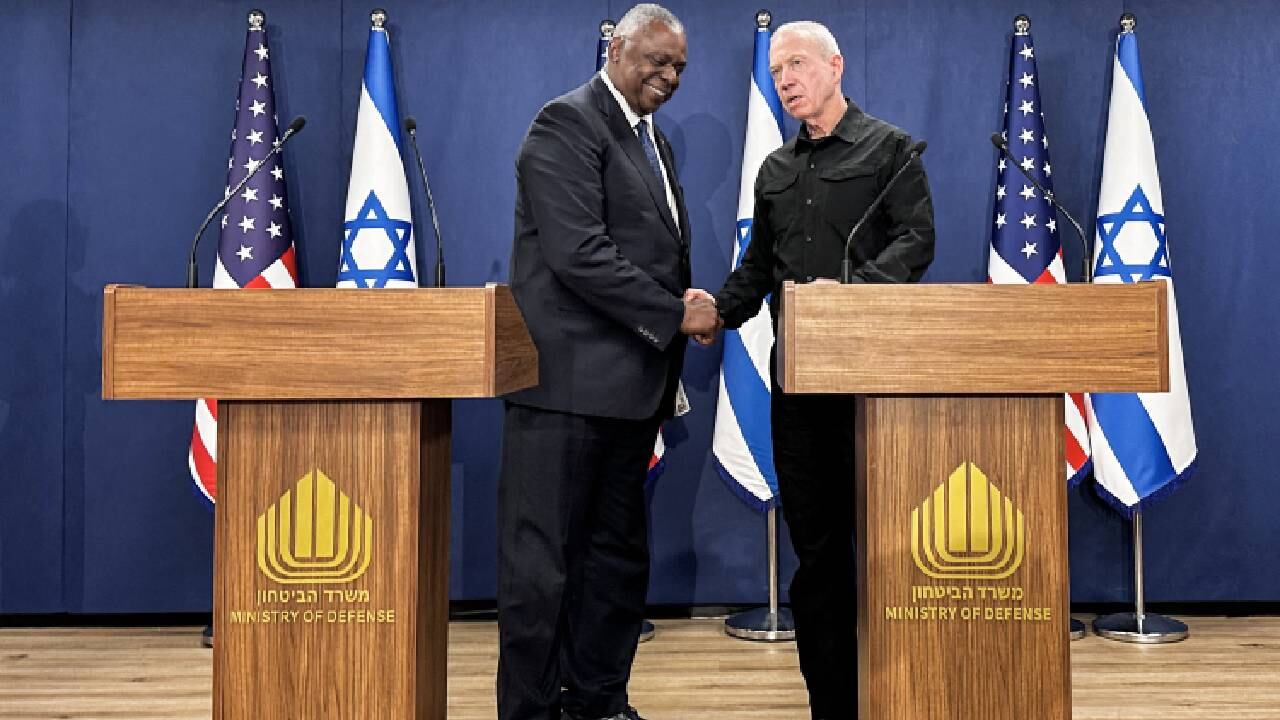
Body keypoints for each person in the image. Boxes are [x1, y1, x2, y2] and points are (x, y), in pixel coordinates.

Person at [699, 20, 935, 720]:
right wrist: (714, 312)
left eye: (797, 64)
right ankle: (832, 705)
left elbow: (917, 240)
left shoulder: (890, 150)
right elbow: (759, 269)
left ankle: (897, 693)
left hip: (874, 386)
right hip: (799, 388)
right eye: (777, 72)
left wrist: (851, 292)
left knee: (889, 547)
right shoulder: (776, 170)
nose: (786, 80)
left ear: (836, 65)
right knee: (819, 555)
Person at [499, 5, 716, 720]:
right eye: (657, 60)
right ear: (616, 48)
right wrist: (673, 314)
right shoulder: (565, 124)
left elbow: (648, 248)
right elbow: (578, 254)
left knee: (615, 566)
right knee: (542, 572)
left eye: (679, 66)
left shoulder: (652, 139)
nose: (669, 76)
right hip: (564, 392)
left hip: (631, 390)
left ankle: (597, 702)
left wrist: (677, 301)